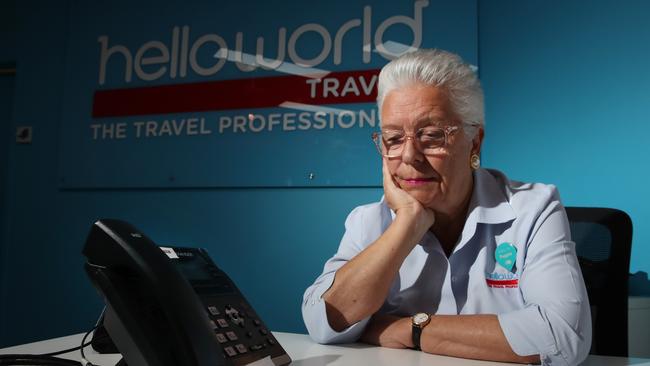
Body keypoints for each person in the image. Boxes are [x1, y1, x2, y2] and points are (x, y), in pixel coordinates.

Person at [302, 49, 591, 365]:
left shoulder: (533, 208)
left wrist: (411, 329)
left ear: (474, 142)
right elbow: (322, 322)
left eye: (431, 136)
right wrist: (406, 224)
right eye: (393, 139)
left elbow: (563, 336)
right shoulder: (369, 221)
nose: (410, 155)